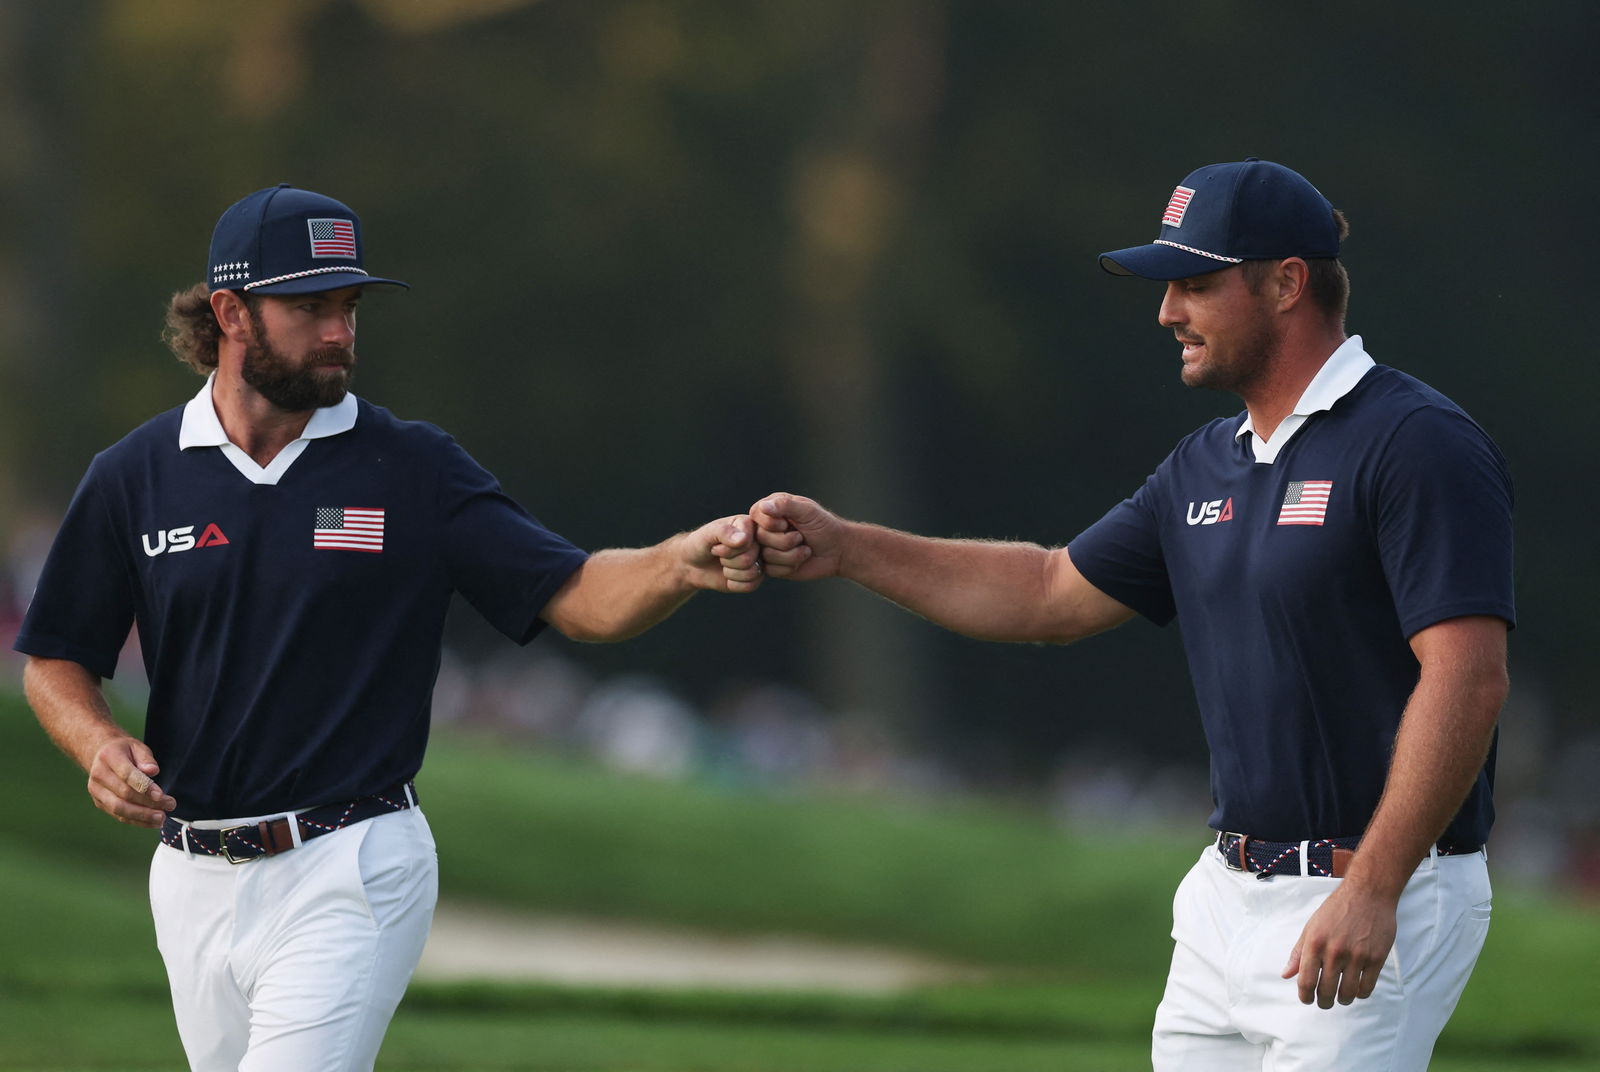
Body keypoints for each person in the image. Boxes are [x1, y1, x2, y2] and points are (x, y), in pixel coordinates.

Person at [751, 159, 1514, 1070]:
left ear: (1286, 284)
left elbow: (1468, 674)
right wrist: (847, 548)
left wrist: (1376, 886)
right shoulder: (1205, 465)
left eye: (1195, 285)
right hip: (1225, 900)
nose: (1167, 314)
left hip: (1372, 888)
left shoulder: (1415, 442)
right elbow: (1046, 592)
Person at [12, 183, 764, 1071]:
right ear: (229, 313)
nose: (340, 330)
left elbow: (576, 594)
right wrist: (96, 744)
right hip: (190, 880)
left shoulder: (413, 469)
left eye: (350, 305)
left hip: (349, 862)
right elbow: (56, 656)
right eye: (310, 306)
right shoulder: (133, 476)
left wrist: (678, 561)